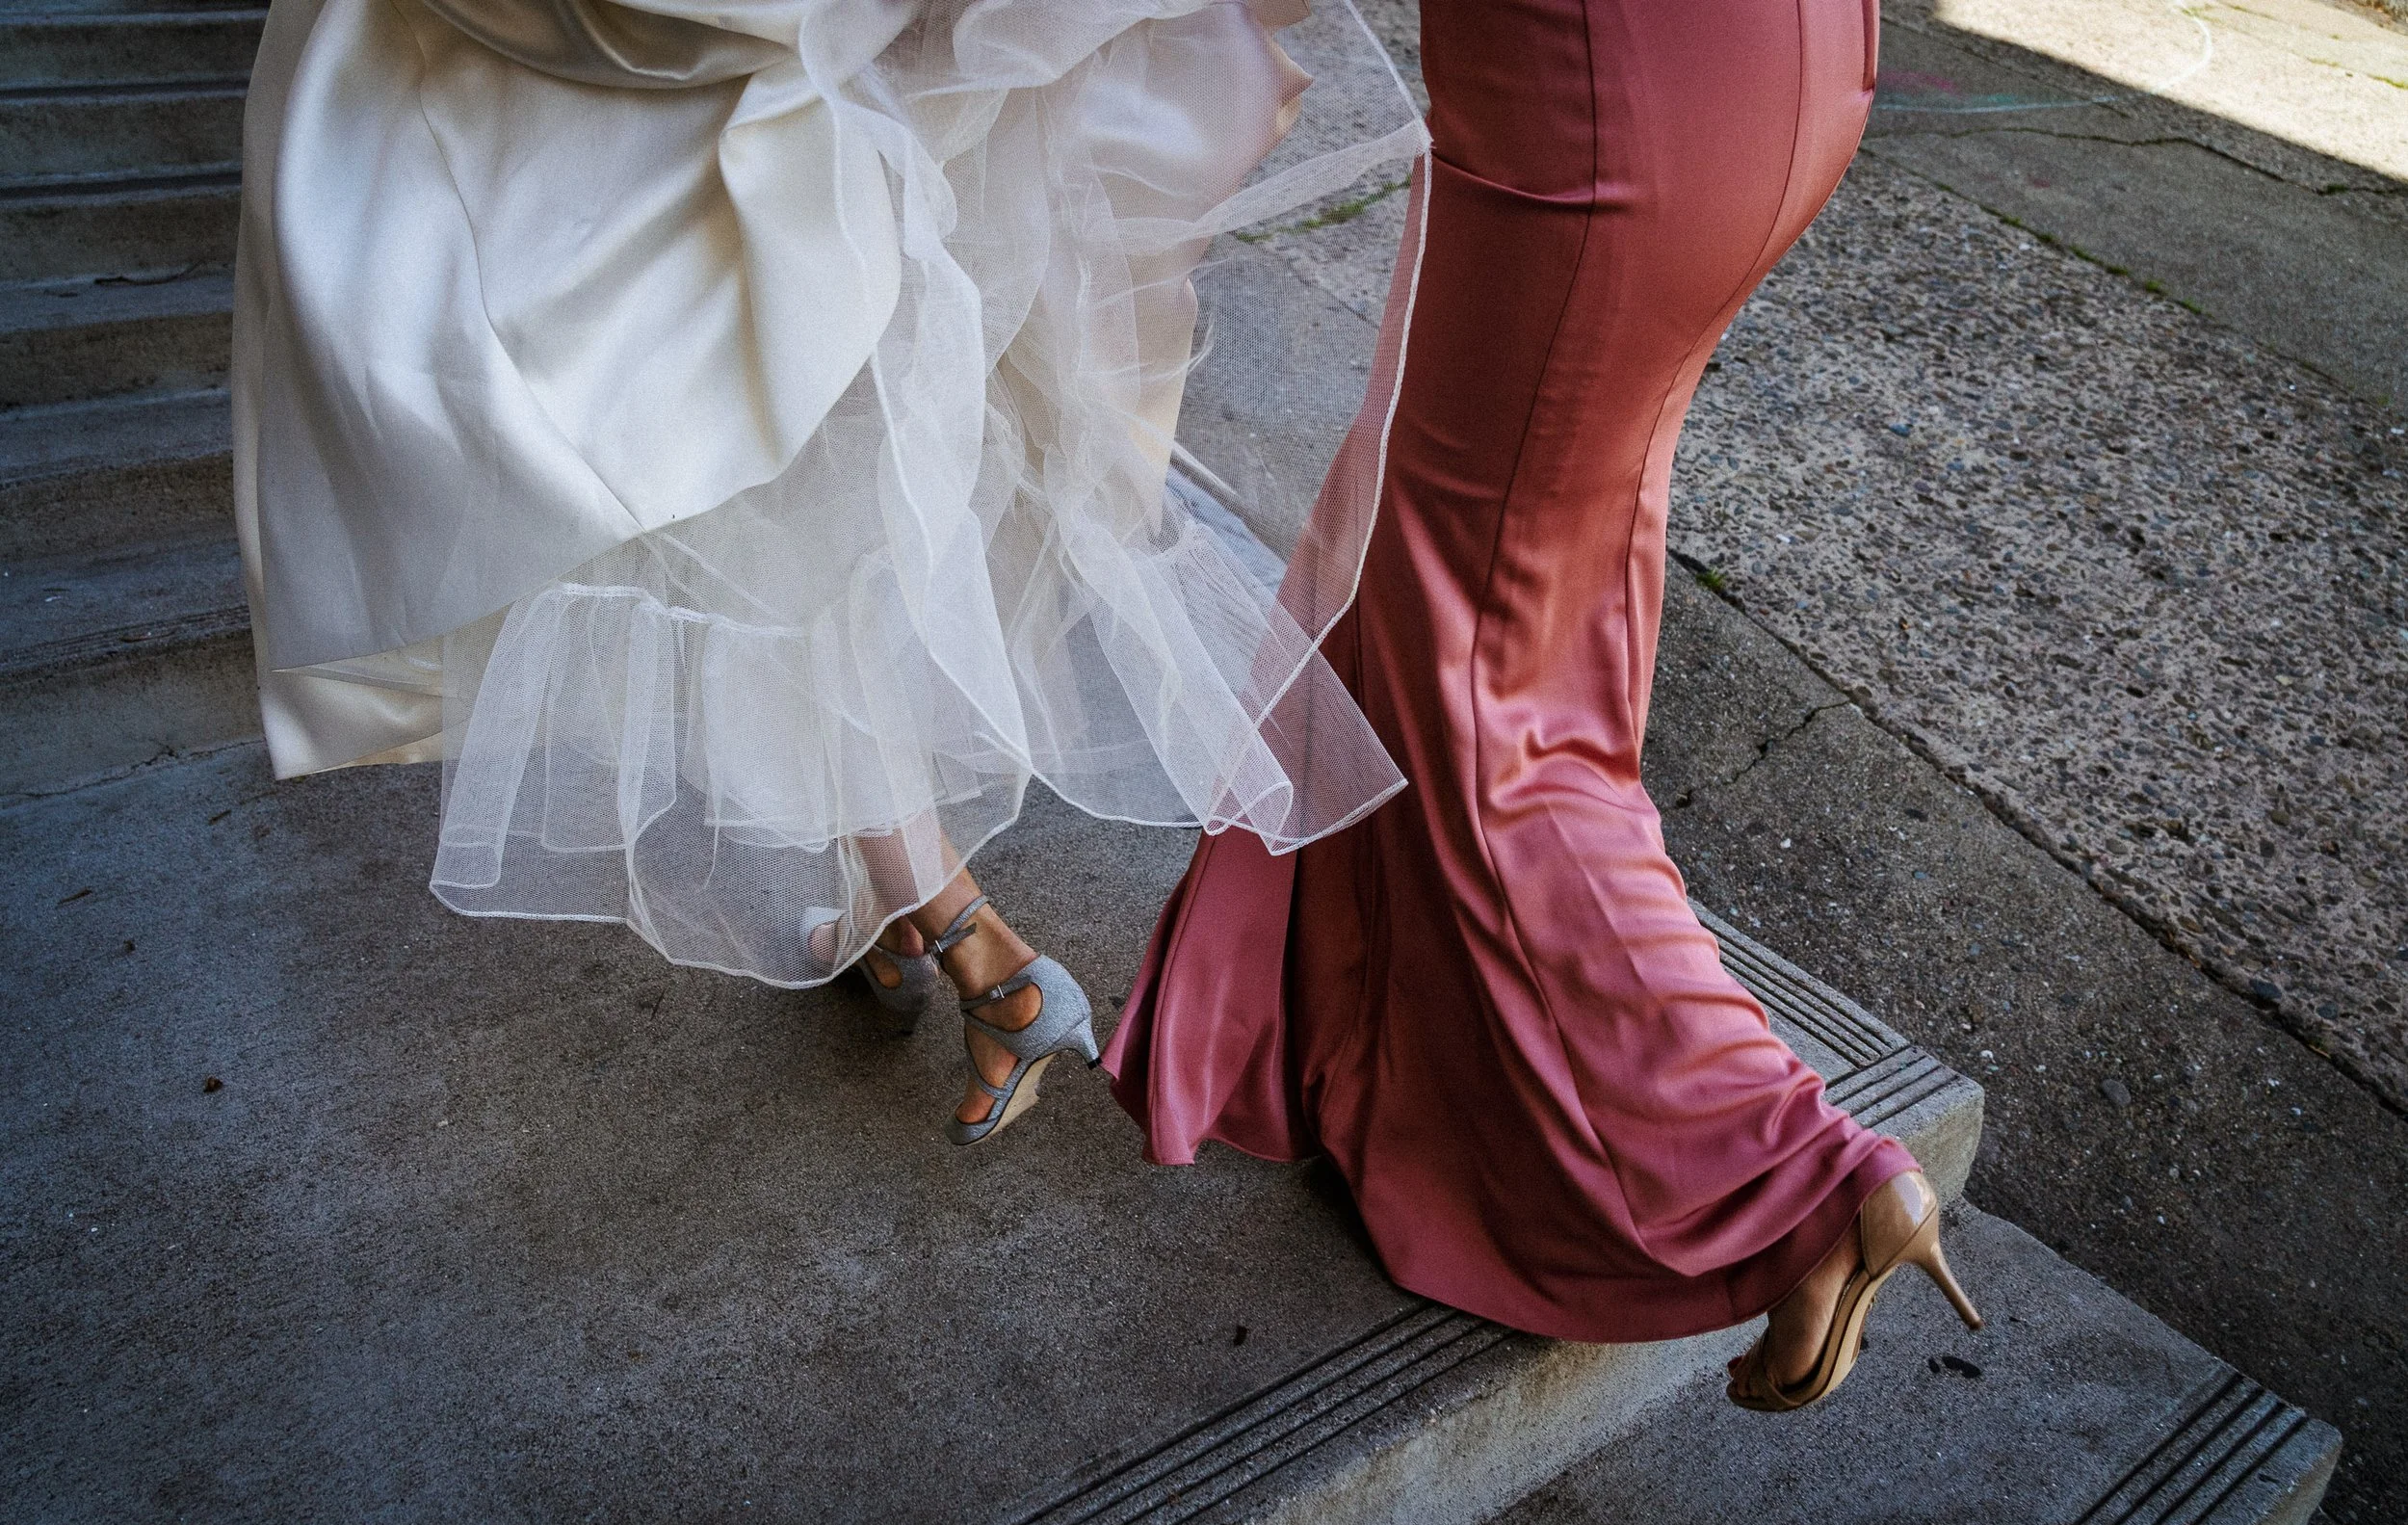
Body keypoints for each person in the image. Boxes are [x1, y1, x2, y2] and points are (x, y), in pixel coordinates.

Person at [233, 0, 1418, 1142]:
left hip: (801, 108)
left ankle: (987, 960)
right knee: (790, 511)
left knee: (708, 512)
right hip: (865, 118)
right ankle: (898, 912)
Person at [1105, 0, 1983, 1407]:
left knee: (1485, 686)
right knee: (1494, 598)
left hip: (1606, 99)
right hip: (1765, 73)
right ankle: (1403, 1056)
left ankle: (1797, 1173)